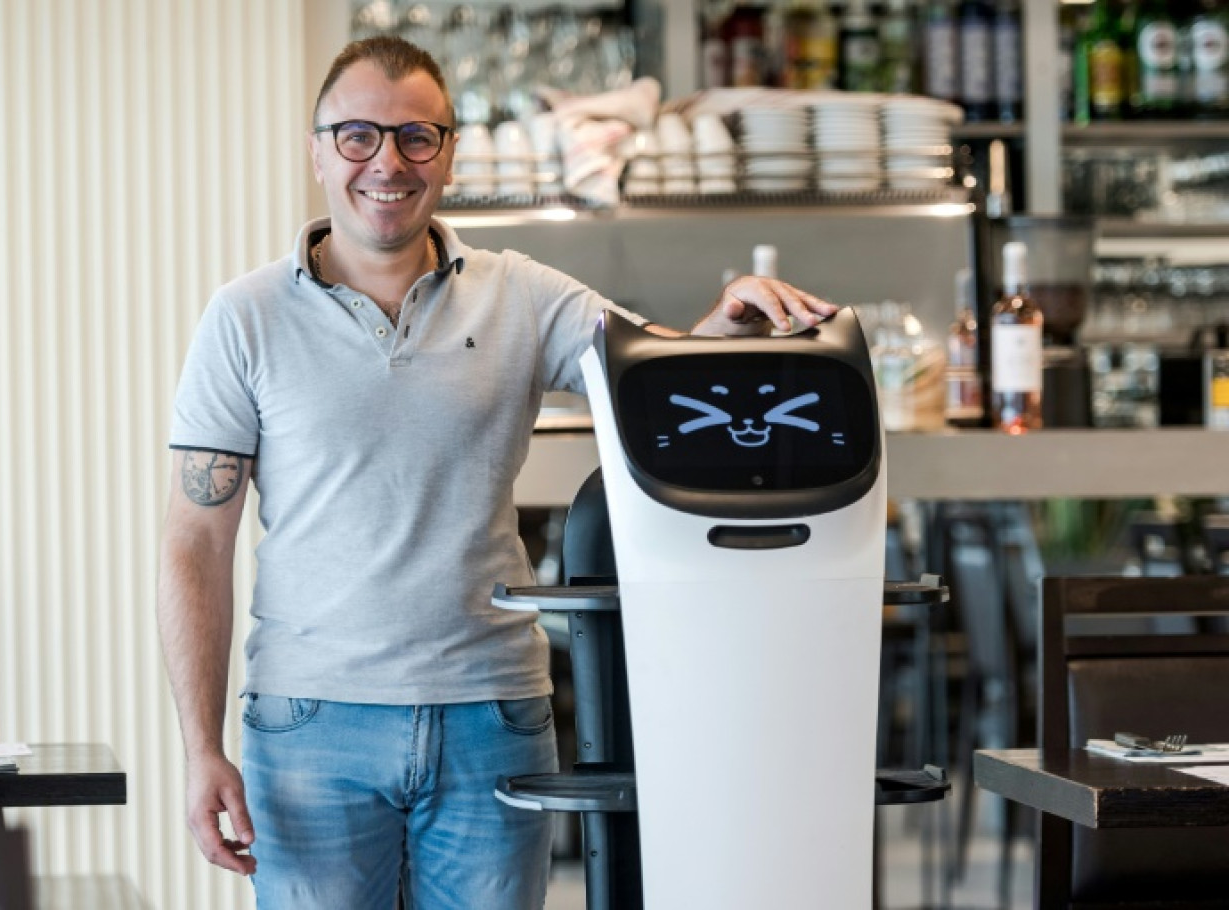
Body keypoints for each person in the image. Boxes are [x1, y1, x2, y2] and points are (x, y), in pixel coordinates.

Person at [158, 35, 838, 910]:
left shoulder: (521, 293)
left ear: (449, 151)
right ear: (319, 150)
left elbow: (656, 380)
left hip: (493, 716)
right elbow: (193, 545)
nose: (388, 163)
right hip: (309, 722)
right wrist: (200, 749)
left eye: (417, 136)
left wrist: (733, 321)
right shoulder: (244, 317)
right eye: (358, 136)